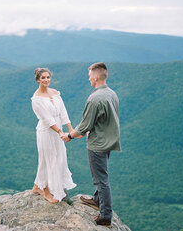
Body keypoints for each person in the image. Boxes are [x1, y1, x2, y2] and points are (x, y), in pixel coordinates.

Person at [61, 62, 121, 227]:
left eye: (89, 77)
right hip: (109, 140)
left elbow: (85, 125)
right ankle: (97, 200)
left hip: (98, 144)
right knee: (102, 175)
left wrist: (69, 136)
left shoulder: (94, 98)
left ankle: (105, 216)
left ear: (95, 77)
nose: (89, 80)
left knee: (101, 180)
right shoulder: (111, 93)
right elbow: (105, 118)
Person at [31, 67, 76, 203]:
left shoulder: (55, 93)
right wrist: (61, 132)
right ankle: (46, 191)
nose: (46, 80)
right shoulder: (36, 99)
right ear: (38, 80)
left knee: (59, 157)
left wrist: (71, 129)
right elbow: (47, 119)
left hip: (58, 130)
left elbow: (63, 112)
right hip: (46, 132)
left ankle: (37, 186)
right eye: (43, 78)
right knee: (48, 159)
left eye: (48, 77)